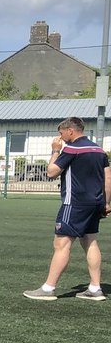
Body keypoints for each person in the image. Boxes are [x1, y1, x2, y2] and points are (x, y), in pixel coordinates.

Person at [24, 116, 111, 301]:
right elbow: (108, 178)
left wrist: (55, 151)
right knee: (90, 242)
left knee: (61, 244)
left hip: (75, 203)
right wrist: (107, 202)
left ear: (71, 130)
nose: (60, 137)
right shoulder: (99, 150)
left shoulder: (71, 149)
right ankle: (95, 289)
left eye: (61, 133)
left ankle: (48, 289)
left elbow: (51, 172)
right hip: (95, 203)